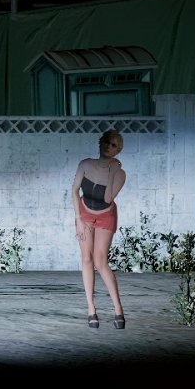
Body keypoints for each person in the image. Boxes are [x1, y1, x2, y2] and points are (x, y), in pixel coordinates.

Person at [72, 129, 127, 328]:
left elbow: (107, 198)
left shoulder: (120, 174)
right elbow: (74, 190)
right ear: (100, 142)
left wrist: (112, 171)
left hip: (106, 215)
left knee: (100, 261)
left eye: (113, 145)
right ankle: (91, 308)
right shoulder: (85, 164)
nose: (107, 146)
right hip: (84, 214)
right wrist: (78, 219)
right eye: (105, 141)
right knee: (86, 259)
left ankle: (118, 309)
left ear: (118, 150)